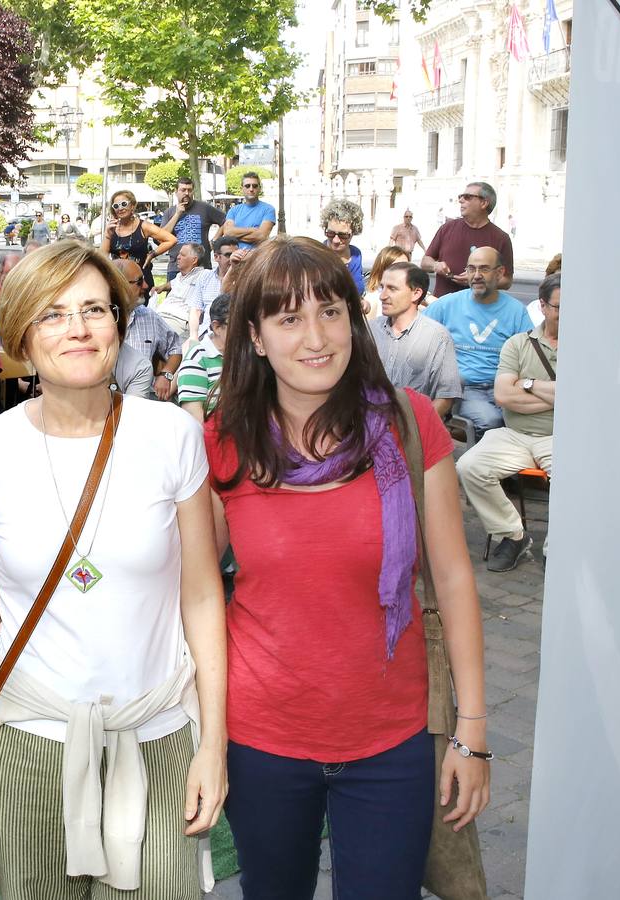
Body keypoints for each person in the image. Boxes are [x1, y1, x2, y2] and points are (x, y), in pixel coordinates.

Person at [0, 239, 228, 897]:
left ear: (118, 323)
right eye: (52, 313)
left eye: (94, 310)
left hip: (157, 734)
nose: (77, 329)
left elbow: (200, 596)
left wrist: (213, 744)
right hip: (29, 743)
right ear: (20, 332)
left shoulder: (171, 436)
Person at [205, 236, 489, 898]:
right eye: (288, 318)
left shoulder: (408, 423)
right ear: (253, 335)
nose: (315, 336)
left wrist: (471, 735)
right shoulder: (223, 438)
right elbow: (186, 587)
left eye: (330, 312)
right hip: (260, 740)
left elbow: (451, 581)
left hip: (391, 739)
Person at [456, 273, 560, 573]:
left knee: (571, 479)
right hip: (515, 433)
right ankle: (513, 534)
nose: (567, 313)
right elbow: (503, 395)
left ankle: (557, 549)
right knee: (469, 466)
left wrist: (526, 384)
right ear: (543, 306)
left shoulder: (584, 346)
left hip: (560, 437)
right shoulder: (518, 344)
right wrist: (558, 396)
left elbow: (583, 398)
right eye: (559, 306)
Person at [421, 246, 532, 432]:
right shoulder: (448, 304)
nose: (477, 275)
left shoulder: (516, 310)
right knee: (492, 421)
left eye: (484, 269)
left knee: (533, 421)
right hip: (466, 390)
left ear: (500, 273)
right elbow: (419, 330)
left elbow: (531, 351)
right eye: (471, 269)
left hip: (506, 387)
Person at [372, 262, 461, 417]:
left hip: (412, 427)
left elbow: (446, 397)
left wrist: (417, 426)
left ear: (416, 293)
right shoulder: (371, 329)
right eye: (382, 287)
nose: (382, 296)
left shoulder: (437, 337)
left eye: (392, 289)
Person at [421, 181, 514, 297]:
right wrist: (436, 266)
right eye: (461, 197)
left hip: (481, 309)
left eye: (467, 197)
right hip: (443, 307)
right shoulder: (447, 228)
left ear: (484, 203)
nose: (461, 200)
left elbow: (507, 281)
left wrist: (479, 280)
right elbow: (425, 262)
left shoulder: (501, 238)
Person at [115, 258, 182, 401]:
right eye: (139, 282)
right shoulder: (97, 319)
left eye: (144, 280)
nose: (146, 286)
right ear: (118, 284)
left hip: (144, 402)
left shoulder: (149, 316)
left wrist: (166, 375)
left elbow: (175, 348)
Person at [101, 189, 176, 295]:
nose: (120, 208)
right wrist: (107, 236)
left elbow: (171, 239)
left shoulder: (143, 226)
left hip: (140, 281)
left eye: (124, 204)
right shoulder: (112, 228)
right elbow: (102, 257)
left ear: (132, 206)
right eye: (116, 206)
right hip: (118, 280)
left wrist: (152, 254)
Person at [176, 293, 231, 422]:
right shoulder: (197, 359)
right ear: (217, 327)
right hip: (215, 438)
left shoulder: (247, 354)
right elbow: (194, 421)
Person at [160, 174, 226, 280]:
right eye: (183, 190)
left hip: (201, 267)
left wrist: (214, 240)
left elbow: (226, 221)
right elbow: (161, 237)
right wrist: (177, 214)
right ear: (176, 191)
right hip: (176, 267)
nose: (187, 193)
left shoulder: (204, 208)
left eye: (190, 190)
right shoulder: (169, 212)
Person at [156, 242, 208, 340]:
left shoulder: (204, 276)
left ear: (194, 260)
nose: (178, 257)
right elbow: (173, 283)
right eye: (179, 254)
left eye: (182, 255)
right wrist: (162, 287)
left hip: (178, 321)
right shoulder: (179, 276)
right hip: (160, 315)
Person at [321, 198, 367, 297]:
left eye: (343, 235)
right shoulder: (317, 254)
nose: (335, 240)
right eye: (330, 233)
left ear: (354, 232)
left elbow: (359, 289)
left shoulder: (356, 254)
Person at [221, 173, 277, 250]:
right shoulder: (233, 210)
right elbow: (227, 232)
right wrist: (252, 230)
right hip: (236, 258)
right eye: (247, 186)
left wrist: (235, 235)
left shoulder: (268, 209)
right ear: (242, 189)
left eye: (255, 186)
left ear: (259, 188)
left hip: (258, 258)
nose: (251, 189)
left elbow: (262, 236)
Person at [363, 245, 411, 317]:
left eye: (406, 267)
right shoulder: (373, 300)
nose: (403, 271)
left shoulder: (411, 296)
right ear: (382, 269)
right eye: (396, 268)